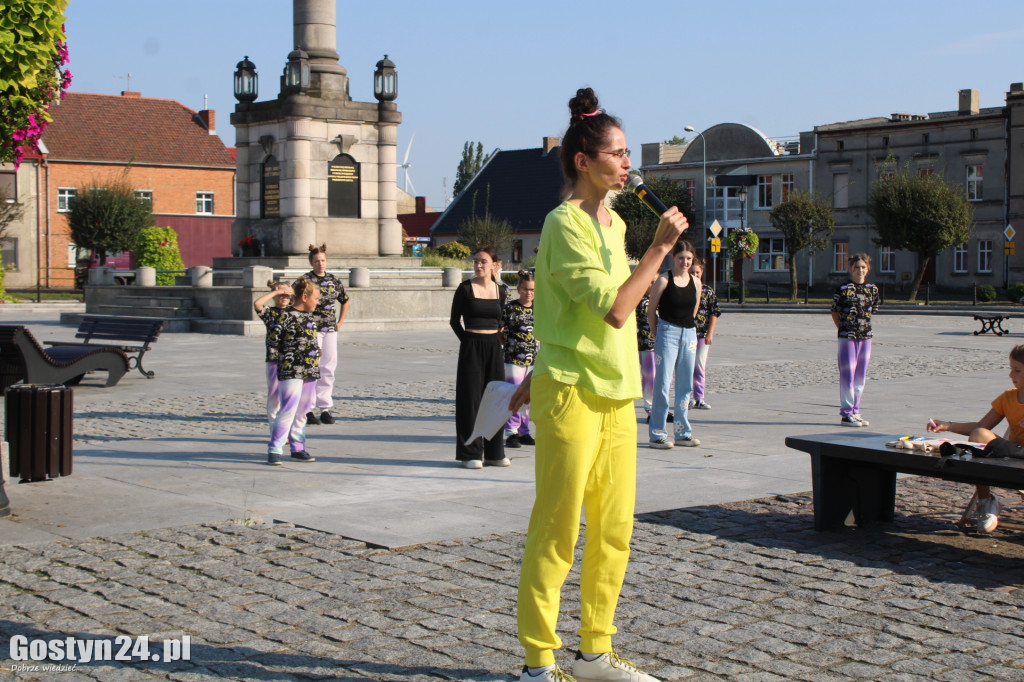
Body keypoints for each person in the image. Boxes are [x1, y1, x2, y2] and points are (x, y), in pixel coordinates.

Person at [510, 87, 688, 682]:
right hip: (571, 396)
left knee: (614, 530)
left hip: (615, 392)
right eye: (616, 152)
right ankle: (539, 663)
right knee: (558, 529)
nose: (627, 161)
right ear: (584, 161)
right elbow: (615, 310)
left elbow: (569, 315)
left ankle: (594, 653)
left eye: (628, 150)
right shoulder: (563, 225)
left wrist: (647, 252)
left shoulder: (611, 223)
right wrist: (659, 249)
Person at [927, 344, 1024, 534]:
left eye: (1017, 370)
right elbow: (982, 426)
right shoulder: (1008, 397)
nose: (1011, 375)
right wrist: (948, 425)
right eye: (1011, 369)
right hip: (1010, 451)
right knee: (979, 434)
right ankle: (986, 501)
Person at [450, 245, 508, 468]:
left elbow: (501, 321)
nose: (478, 265)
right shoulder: (465, 289)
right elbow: (454, 321)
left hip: (494, 346)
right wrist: (467, 341)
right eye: (475, 261)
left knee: (496, 398)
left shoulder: (501, 290)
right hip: (471, 346)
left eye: (483, 261)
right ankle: (470, 453)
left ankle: (495, 453)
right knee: (470, 400)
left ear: (494, 264)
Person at [647, 240, 702, 449]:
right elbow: (651, 310)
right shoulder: (663, 280)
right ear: (673, 258)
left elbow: (694, 309)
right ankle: (657, 433)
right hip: (667, 331)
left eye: (689, 259)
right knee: (662, 384)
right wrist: (656, 330)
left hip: (688, 334)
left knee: (685, 385)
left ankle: (682, 431)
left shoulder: (696, 283)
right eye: (681, 258)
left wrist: (688, 330)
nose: (685, 262)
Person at [266, 278, 321, 466]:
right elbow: (274, 340)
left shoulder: (310, 317)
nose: (318, 302)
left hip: (310, 369)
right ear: (304, 297)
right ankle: (275, 448)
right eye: (316, 298)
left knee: (303, 411)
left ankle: (298, 447)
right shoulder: (285, 315)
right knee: (288, 408)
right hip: (290, 369)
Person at [302, 244, 350, 426]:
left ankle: (325, 408)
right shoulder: (305, 280)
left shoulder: (333, 280)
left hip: (329, 329)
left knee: (328, 367)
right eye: (316, 261)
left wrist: (340, 322)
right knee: (311, 368)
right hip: (311, 329)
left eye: (322, 260)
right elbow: (296, 301)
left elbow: (345, 300)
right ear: (311, 262)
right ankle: (307, 408)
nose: (320, 264)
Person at [832, 253, 879, 427]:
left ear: (868, 269)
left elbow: (872, 310)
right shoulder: (844, 289)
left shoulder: (872, 289)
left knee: (861, 374)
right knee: (848, 374)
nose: (860, 270)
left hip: (866, 336)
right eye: (857, 267)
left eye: (863, 267)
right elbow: (835, 312)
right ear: (851, 269)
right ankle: (846, 412)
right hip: (847, 337)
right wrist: (844, 329)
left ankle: (856, 410)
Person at [503, 270, 537, 449]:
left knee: (529, 396)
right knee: (514, 393)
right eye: (525, 289)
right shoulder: (509, 308)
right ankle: (511, 432)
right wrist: (508, 346)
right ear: (518, 289)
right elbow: (500, 331)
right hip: (513, 358)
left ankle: (524, 431)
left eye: (532, 290)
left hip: (534, 359)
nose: (528, 293)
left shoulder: (539, 308)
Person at [253, 280, 294, 427]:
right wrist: (276, 291)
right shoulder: (270, 313)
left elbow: (307, 299)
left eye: (286, 295)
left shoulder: (295, 312)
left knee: (290, 395)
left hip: (292, 359)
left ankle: (286, 428)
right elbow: (257, 305)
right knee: (274, 394)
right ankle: (274, 426)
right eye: (280, 295)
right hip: (274, 358)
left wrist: (291, 291)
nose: (284, 298)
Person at [690, 258, 720, 410]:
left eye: (697, 272)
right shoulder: (684, 288)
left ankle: (699, 397)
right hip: (686, 333)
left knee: (699, 365)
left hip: (701, 334)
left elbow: (714, 313)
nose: (695, 274)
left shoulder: (707, 291)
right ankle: (687, 397)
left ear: (701, 272)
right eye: (692, 272)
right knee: (686, 367)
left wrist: (710, 333)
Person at [636, 285, 655, 418]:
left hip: (663, 344)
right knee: (649, 377)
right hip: (645, 345)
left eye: (656, 281)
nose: (652, 284)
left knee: (665, 378)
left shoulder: (662, 299)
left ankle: (660, 408)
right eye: (650, 281)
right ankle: (650, 409)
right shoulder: (639, 301)